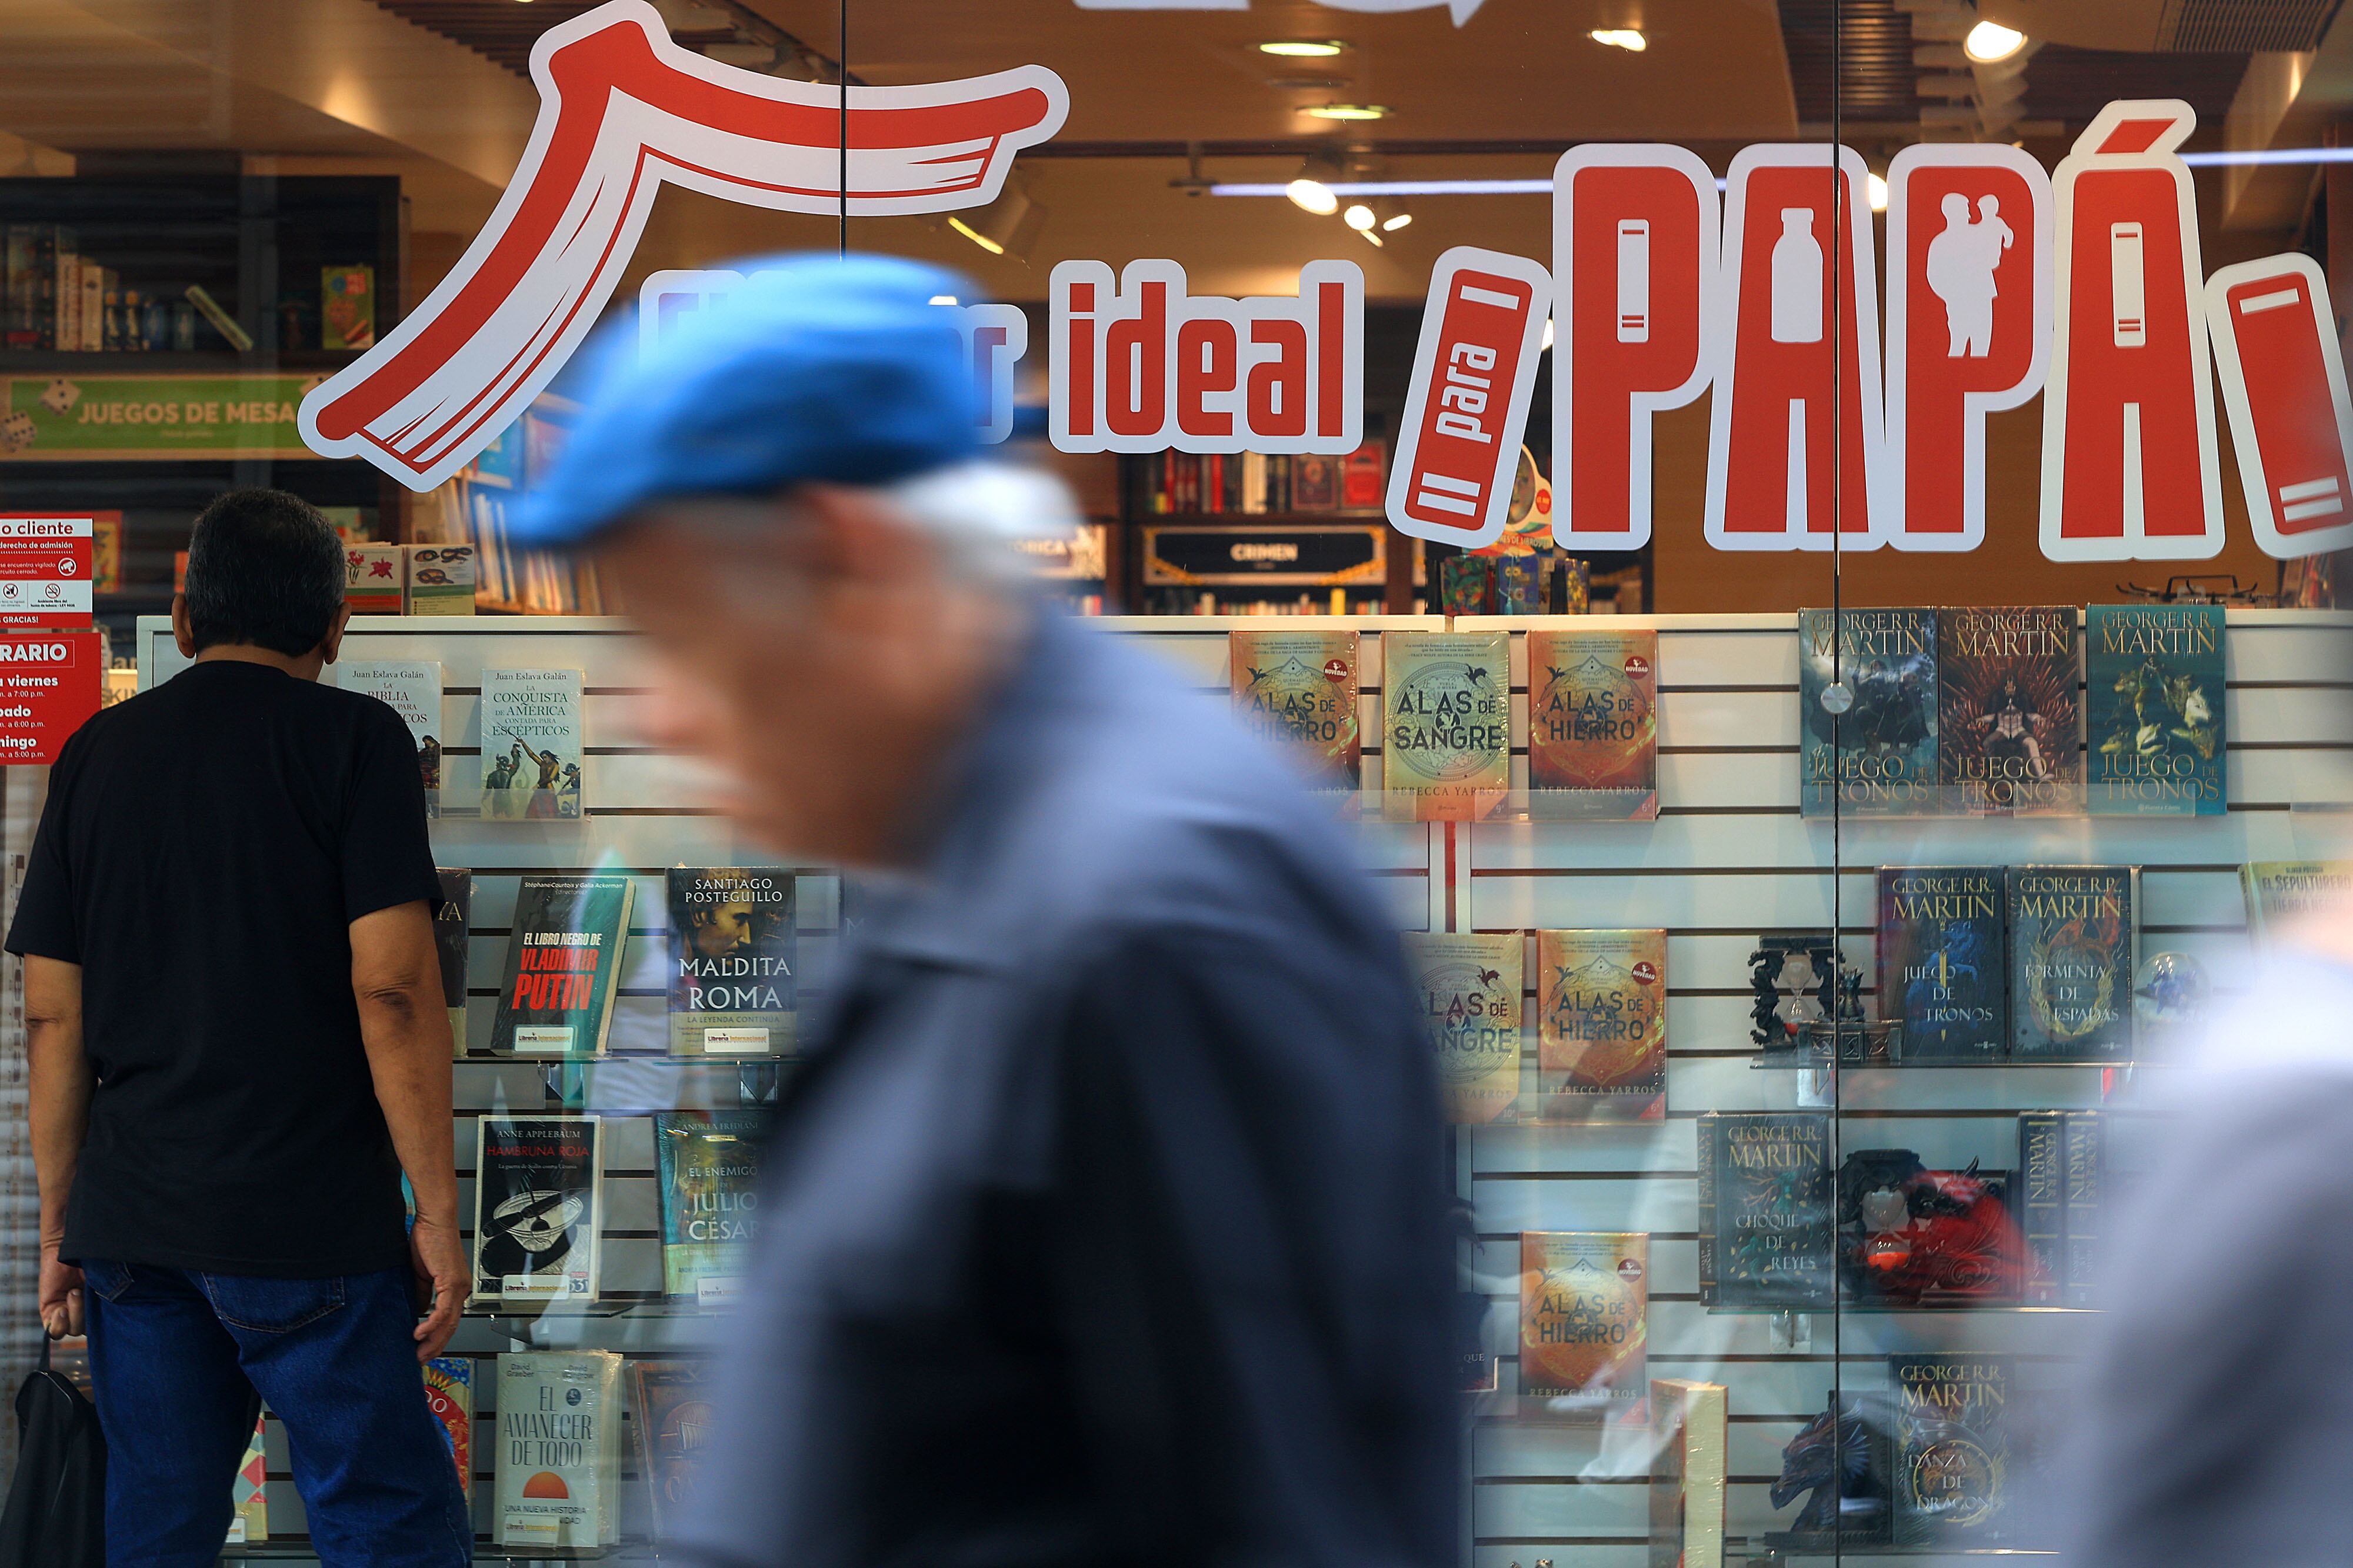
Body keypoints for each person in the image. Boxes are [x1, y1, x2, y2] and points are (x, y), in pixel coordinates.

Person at [509, 253, 1459, 1568]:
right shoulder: (957, 873)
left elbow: (1269, 1512)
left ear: (847, 561)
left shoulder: (1156, 913)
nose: (652, 711)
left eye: (677, 629)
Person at [9, 489, 471, 1566]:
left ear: (182, 619)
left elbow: (50, 1009)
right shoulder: (357, 741)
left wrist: (61, 1224)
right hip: (308, 1215)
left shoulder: (95, 753)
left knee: (158, 1525)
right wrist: (437, 1216)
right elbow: (395, 990)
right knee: (384, 1519)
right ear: (335, 625)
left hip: (140, 1225)